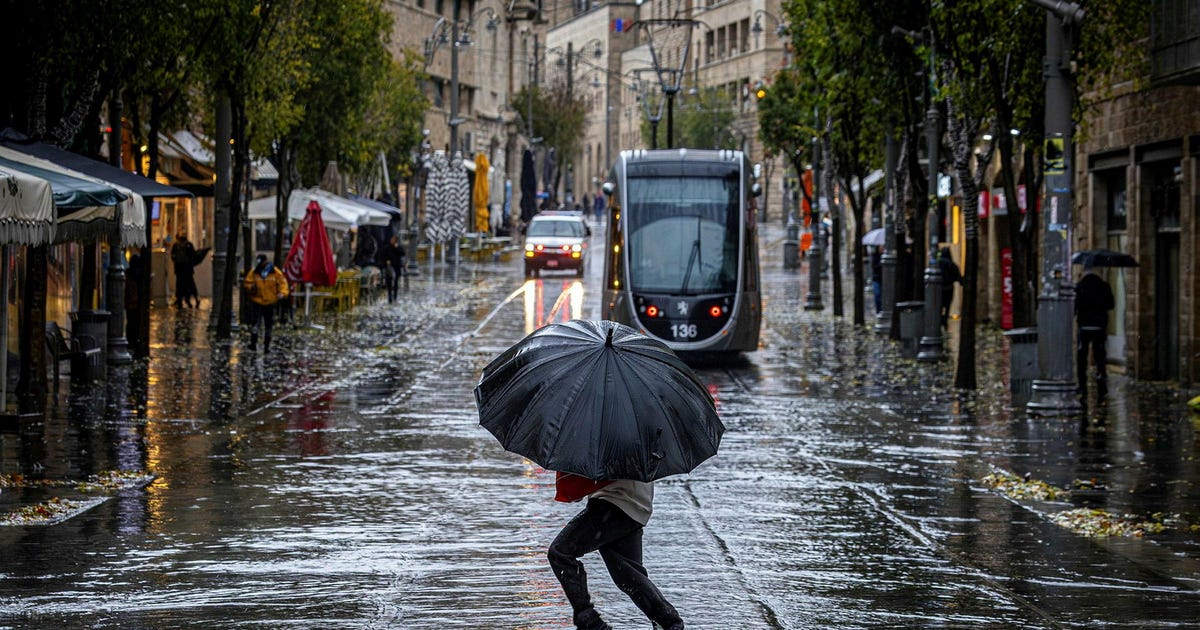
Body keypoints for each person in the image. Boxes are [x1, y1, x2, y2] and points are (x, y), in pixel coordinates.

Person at [547, 473, 684, 630]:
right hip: (633, 503)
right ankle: (669, 623)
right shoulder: (636, 449)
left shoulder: (613, 448)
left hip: (613, 502)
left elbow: (603, 465)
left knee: (560, 553)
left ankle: (590, 622)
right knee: (627, 576)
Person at [1075, 266, 1114, 401]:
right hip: (1099, 327)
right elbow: (1111, 304)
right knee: (1100, 356)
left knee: (1082, 357)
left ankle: (1082, 385)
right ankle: (1102, 384)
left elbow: (1075, 307)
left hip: (1084, 327)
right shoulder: (1104, 286)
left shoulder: (1079, 286)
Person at [242, 254, 289, 352]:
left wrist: (282, 293)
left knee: (268, 325)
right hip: (257, 302)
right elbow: (247, 283)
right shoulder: (254, 272)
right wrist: (251, 288)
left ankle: (266, 346)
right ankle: (253, 344)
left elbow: (283, 283)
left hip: (270, 302)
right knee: (255, 324)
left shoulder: (275, 272)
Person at [171, 233, 199, 308]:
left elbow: (173, 256)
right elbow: (194, 255)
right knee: (190, 285)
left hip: (179, 269)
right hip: (188, 269)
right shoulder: (189, 244)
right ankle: (193, 299)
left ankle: (179, 301)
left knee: (179, 285)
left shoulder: (176, 245)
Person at [936, 248, 960, 329]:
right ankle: (945, 320)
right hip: (949, 288)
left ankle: (939, 320)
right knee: (947, 305)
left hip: (939, 288)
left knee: (939, 305)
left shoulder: (938, 263)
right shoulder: (951, 264)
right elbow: (957, 276)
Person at [379, 234, 407, 304]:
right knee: (389, 283)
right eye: (392, 239)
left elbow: (402, 253)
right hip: (389, 268)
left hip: (396, 267)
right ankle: (390, 298)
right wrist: (386, 261)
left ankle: (395, 297)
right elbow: (383, 256)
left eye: (394, 240)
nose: (392, 241)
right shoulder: (387, 247)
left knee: (395, 283)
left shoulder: (398, 247)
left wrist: (397, 247)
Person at [869, 245, 883, 315]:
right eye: (880, 246)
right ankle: (878, 311)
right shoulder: (875, 256)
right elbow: (874, 266)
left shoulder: (885, 255)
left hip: (883, 280)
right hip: (876, 279)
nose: (881, 248)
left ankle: (882, 310)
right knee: (877, 295)